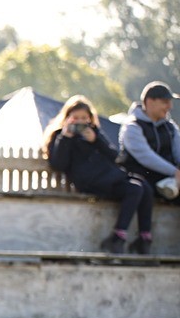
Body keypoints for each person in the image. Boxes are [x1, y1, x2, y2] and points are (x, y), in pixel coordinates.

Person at [44, 95, 153, 254]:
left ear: (90, 119)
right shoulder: (61, 136)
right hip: (91, 182)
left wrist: (96, 140)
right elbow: (58, 164)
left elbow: (115, 157)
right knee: (135, 188)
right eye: (76, 118)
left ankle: (144, 238)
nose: (80, 122)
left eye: (84, 118)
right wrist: (66, 137)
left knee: (145, 187)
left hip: (109, 178)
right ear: (67, 118)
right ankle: (118, 237)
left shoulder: (94, 133)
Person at [118, 82, 180, 252]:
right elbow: (146, 157)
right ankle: (141, 240)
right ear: (150, 101)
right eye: (165, 102)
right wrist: (175, 172)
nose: (169, 107)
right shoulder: (132, 126)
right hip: (140, 176)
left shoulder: (170, 128)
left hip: (168, 179)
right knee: (143, 188)